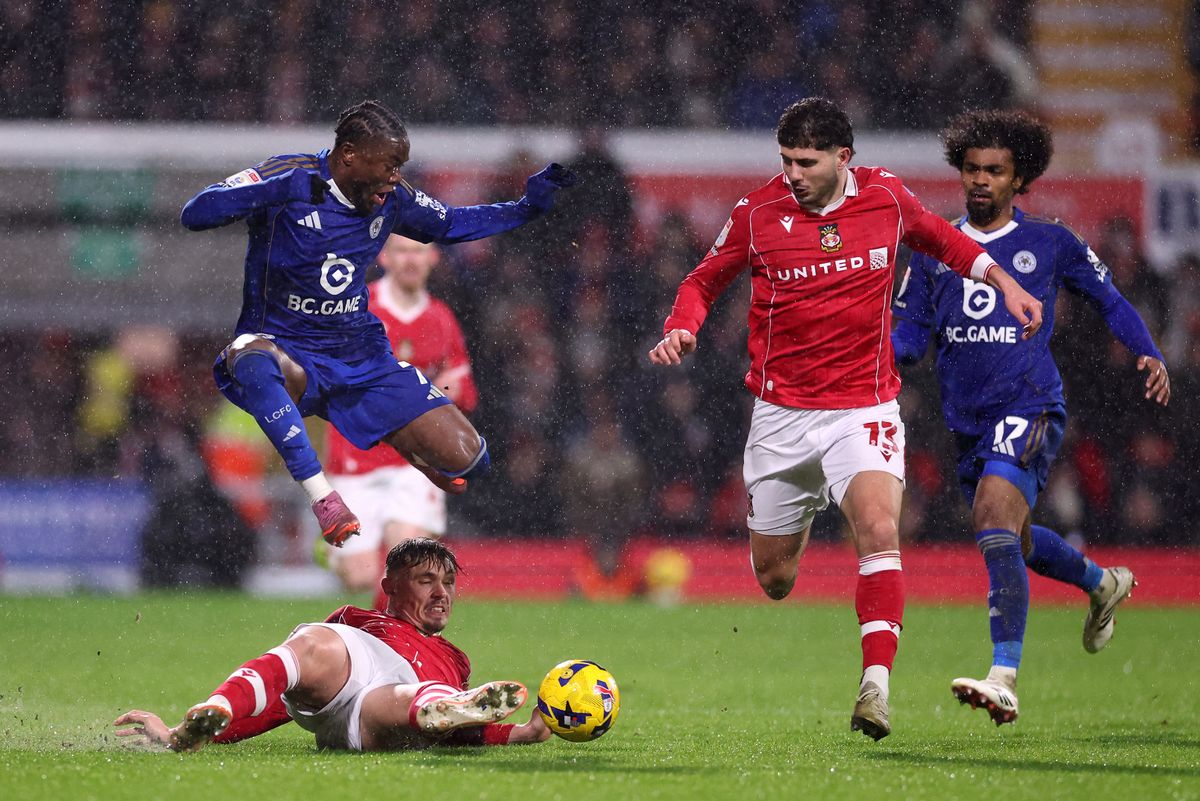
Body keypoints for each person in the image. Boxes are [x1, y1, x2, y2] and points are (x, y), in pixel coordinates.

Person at [648, 97, 1043, 741]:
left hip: (864, 407)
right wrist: (682, 327)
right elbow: (701, 281)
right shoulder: (757, 213)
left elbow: (945, 240)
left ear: (843, 159)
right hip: (781, 418)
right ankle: (801, 509)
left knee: (879, 528)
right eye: (786, 161)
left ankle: (876, 686)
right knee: (774, 579)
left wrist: (1005, 282)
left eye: (806, 162)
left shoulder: (885, 198)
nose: (794, 174)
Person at [180, 99, 574, 548]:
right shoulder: (289, 174)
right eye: (389, 164)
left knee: (470, 459)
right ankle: (324, 497)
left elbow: (449, 223)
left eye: (399, 165)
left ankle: (403, 442)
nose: (395, 175)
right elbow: (196, 212)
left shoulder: (392, 198)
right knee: (249, 357)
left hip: (360, 356)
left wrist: (525, 208)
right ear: (349, 154)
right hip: (288, 350)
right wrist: (275, 191)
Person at [891, 109, 1169, 725]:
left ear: (1021, 180)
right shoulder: (933, 252)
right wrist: (864, 357)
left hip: (1031, 404)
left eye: (995, 171)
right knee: (1011, 537)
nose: (981, 180)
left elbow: (1110, 299)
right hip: (965, 422)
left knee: (992, 513)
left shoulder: (1051, 242)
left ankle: (1005, 675)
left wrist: (1149, 351)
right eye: (972, 170)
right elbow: (909, 340)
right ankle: (1101, 584)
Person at [112, 538, 551, 752]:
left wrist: (521, 733)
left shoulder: (455, 659)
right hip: (357, 666)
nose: (442, 593)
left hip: (374, 715)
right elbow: (281, 703)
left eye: (449, 583)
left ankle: (443, 705)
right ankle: (220, 704)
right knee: (312, 644)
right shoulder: (356, 621)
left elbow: (463, 733)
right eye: (426, 581)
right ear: (390, 588)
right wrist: (183, 735)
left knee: (417, 701)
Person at [322, 233, 477, 607]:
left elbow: (464, 388)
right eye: (402, 251)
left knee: (409, 566)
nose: (410, 259)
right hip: (356, 455)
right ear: (385, 257)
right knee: (358, 576)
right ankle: (330, 555)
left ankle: (385, 645)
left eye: (419, 251)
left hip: (416, 462)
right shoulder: (358, 308)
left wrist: (447, 390)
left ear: (433, 257)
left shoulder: (441, 318)